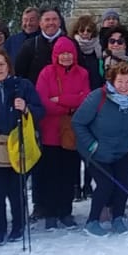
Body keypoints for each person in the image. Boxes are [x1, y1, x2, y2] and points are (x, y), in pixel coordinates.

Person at [0, 47, 43, 246]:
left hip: (19, 143)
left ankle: (18, 226)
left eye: (2, 64)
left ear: (8, 66)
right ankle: (0, 229)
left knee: (16, 190)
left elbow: (40, 111)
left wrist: (26, 108)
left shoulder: (23, 86)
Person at [73, 61, 128, 236]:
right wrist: (92, 144)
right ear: (113, 81)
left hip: (121, 149)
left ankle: (118, 217)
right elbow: (78, 122)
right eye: (120, 81)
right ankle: (92, 221)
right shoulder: (98, 97)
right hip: (97, 151)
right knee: (105, 184)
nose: (124, 86)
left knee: (123, 184)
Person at [34, 35, 90, 229]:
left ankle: (65, 211)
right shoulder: (46, 73)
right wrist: (68, 106)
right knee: (51, 175)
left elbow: (84, 99)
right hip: (50, 132)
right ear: (55, 55)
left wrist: (60, 99)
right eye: (62, 53)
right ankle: (50, 212)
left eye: (69, 53)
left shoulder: (82, 73)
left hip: (71, 132)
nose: (66, 57)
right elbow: (43, 101)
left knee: (68, 174)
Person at [15, 7, 66, 83]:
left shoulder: (70, 43)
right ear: (40, 23)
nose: (51, 23)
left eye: (54, 19)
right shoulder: (29, 45)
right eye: (47, 20)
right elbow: (19, 74)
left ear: (59, 22)